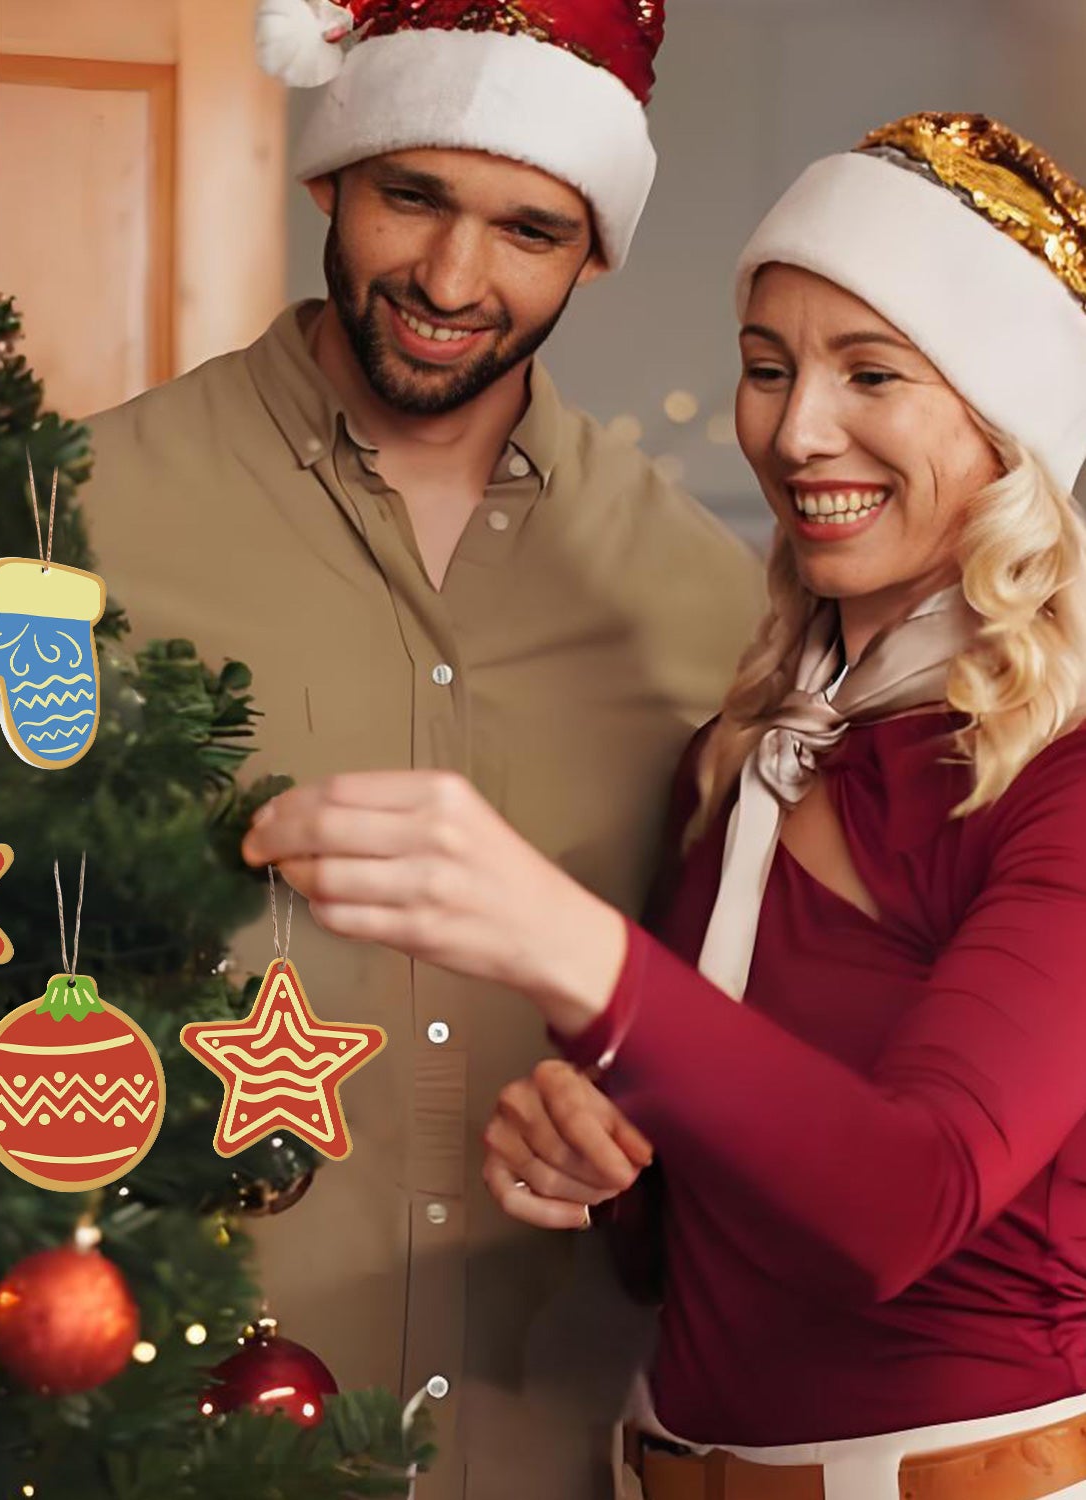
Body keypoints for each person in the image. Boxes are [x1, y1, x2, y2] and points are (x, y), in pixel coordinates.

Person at [243, 110, 1086, 1500]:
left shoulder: (1058, 775)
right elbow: (717, 1228)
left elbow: (902, 1204)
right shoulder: (750, 754)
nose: (795, 428)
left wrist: (565, 946)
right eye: (767, 368)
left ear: (1009, 424)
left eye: (871, 373)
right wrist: (604, 1163)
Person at [81, 1, 763, 1493]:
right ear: (330, 177)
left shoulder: (709, 607)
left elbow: (756, 1030)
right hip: (164, 1426)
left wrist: (644, 1139)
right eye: (413, 197)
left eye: (528, 229)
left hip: (563, 1435)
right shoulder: (78, 521)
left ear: (592, 249)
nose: (455, 279)